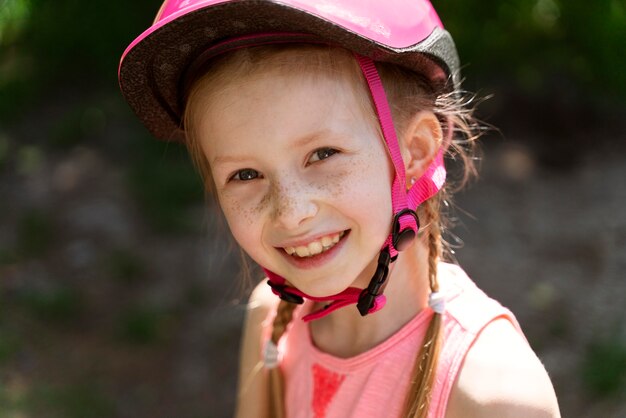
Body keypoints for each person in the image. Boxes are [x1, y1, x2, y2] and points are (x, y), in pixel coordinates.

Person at [119, 1, 561, 417]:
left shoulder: (496, 395)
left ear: (416, 150)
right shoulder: (271, 321)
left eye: (324, 154)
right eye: (246, 175)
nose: (291, 213)